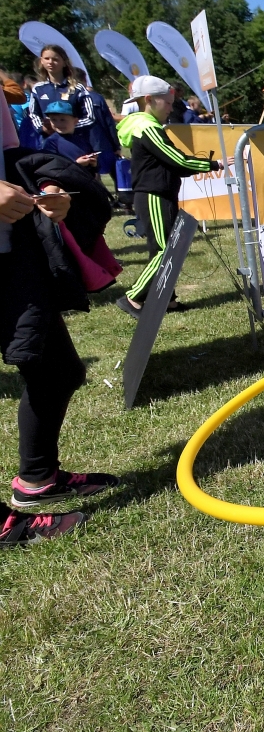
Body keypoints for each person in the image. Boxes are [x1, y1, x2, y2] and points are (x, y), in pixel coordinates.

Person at [1, 89, 119, 546]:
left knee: (57, 369)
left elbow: (11, 157)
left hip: (12, 251)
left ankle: (37, 478)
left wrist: (47, 188)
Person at [115, 75, 223, 318]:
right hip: (154, 195)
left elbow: (175, 165)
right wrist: (214, 164)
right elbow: (178, 160)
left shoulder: (148, 125)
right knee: (163, 251)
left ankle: (167, 299)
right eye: (167, 103)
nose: (171, 109)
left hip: (162, 193)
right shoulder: (147, 128)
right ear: (149, 100)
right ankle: (132, 297)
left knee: (168, 248)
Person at [28, 45, 96, 141]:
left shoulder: (77, 88)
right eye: (47, 59)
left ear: (64, 62)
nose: (50, 62)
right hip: (49, 141)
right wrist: (41, 128)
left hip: (76, 141)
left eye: (55, 59)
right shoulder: (38, 89)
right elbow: (34, 114)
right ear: (41, 61)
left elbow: (90, 118)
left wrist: (68, 128)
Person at [38, 100, 99, 176]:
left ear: (75, 121)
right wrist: (76, 164)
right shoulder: (51, 142)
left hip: (86, 179)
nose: (58, 124)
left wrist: (93, 164)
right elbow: (52, 169)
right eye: (53, 120)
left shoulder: (82, 139)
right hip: (67, 181)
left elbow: (95, 169)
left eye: (63, 120)